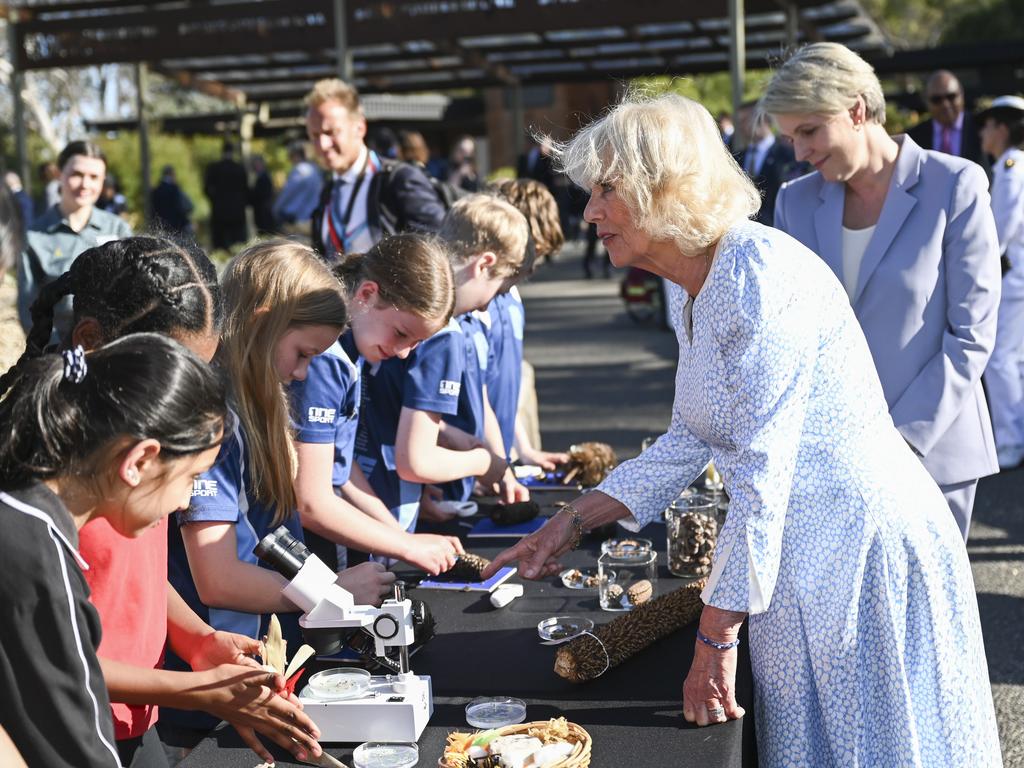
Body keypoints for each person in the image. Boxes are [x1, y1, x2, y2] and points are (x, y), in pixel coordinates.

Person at [482, 91, 1001, 766]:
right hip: (793, 558)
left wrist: (715, 640)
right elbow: (689, 438)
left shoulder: (756, 276)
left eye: (607, 189)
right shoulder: (690, 281)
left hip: (859, 555)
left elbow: (760, 475)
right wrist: (571, 521)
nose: (590, 212)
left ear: (663, 187)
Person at [3, 237, 323, 768]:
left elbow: (142, 578)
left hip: (138, 712)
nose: (184, 505)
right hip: (82, 720)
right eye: (170, 369)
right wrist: (191, 690)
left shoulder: (133, 468)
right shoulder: (47, 498)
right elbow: (58, 663)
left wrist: (198, 642)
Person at [162, 240, 395, 753]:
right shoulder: (211, 415)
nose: (303, 373)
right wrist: (331, 590)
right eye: (302, 354)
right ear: (264, 322)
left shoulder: (255, 405)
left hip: (244, 663)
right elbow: (218, 578)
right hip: (199, 680)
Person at [766, 43, 1000, 539]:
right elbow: (788, 335)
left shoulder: (955, 185)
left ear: (855, 110)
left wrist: (897, 444)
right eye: (791, 138)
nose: (801, 152)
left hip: (932, 455)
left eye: (808, 131)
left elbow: (970, 337)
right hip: (829, 464)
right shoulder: (794, 201)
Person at [0, 333, 238, 768]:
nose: (186, 502)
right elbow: (75, 742)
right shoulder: (35, 553)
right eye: (190, 478)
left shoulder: (26, 517)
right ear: (140, 461)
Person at [354, 195, 529, 534]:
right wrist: (484, 462)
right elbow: (414, 460)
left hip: (380, 490)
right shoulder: (443, 333)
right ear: (484, 265)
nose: (485, 308)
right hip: (385, 505)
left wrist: (448, 435)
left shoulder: (390, 321)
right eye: (497, 290)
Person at [291, 233, 464, 572]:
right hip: (307, 546)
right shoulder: (327, 359)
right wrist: (404, 545)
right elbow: (310, 500)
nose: (402, 352)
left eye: (415, 344)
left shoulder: (353, 352)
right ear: (366, 294)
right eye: (401, 334)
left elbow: (340, 469)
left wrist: (397, 534)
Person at [306, 78, 446, 262]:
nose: (322, 144)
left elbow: (441, 248)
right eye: (314, 135)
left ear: (360, 128)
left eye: (331, 132)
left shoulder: (398, 180)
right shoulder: (328, 191)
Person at [487, 178, 568, 469]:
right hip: (477, 460)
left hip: (500, 456)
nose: (532, 268)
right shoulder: (478, 303)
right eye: (531, 253)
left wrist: (525, 448)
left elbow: (503, 390)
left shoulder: (512, 297)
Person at [19, 141, 132, 339]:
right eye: (77, 175)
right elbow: (28, 310)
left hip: (112, 352)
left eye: (94, 177)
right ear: (59, 175)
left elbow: (133, 294)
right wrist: (58, 354)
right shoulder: (34, 237)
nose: (85, 184)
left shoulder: (119, 229)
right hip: (57, 356)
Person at [979, 95, 1024, 468]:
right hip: (1015, 276)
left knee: (1001, 359)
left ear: (1002, 129)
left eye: (988, 124)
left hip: (1013, 279)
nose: (983, 132)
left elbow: (998, 232)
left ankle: (1011, 441)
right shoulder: (1010, 166)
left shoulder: (1011, 167)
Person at [734, 100, 804, 226]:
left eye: (746, 120)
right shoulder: (736, 157)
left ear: (764, 119)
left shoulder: (787, 156)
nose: (741, 127)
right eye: (739, 122)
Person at [907, 69, 986, 169]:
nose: (945, 104)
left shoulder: (983, 128)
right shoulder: (914, 138)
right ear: (926, 101)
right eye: (936, 99)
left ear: (962, 95)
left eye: (951, 97)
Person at [203, 141, 249, 251]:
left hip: (219, 211)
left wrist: (214, 200)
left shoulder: (214, 168)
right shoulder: (239, 169)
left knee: (220, 246)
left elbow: (206, 189)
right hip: (237, 212)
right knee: (238, 245)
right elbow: (246, 190)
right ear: (232, 152)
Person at [272, 143, 323, 230]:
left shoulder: (299, 170)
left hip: (298, 218)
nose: (290, 159)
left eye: (290, 156)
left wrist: (276, 208)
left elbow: (287, 193)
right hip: (313, 217)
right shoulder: (315, 170)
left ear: (296, 155)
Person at [151, 166, 195, 238]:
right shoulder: (175, 189)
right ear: (172, 174)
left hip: (161, 226)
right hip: (176, 226)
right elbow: (183, 206)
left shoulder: (156, 191)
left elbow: (153, 210)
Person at [249, 155, 276, 236]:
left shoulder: (264, 177)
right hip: (262, 212)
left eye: (257, 164)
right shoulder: (261, 177)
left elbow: (262, 194)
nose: (255, 167)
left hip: (264, 212)